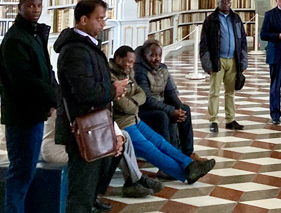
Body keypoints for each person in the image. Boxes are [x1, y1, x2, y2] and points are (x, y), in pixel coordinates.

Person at [55, 0, 123, 213]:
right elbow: (85, 92)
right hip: (83, 131)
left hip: (92, 127)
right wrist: (113, 90)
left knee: (83, 194)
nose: (103, 23)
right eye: (99, 18)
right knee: (81, 196)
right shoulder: (75, 51)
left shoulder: (87, 46)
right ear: (83, 20)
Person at [0, 0, 58, 213]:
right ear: (20, 7)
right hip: (21, 116)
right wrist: (53, 97)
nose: (35, 9)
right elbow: (25, 81)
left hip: (34, 113)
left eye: (39, 5)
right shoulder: (15, 39)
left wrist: (52, 96)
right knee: (20, 174)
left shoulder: (35, 34)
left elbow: (46, 70)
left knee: (26, 172)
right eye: (30, 5)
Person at [110, 47, 216, 185]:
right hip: (122, 124)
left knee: (160, 142)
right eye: (129, 62)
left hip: (134, 118)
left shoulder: (128, 73)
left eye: (133, 63)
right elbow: (123, 105)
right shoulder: (110, 76)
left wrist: (133, 102)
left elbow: (141, 93)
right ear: (118, 59)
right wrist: (134, 104)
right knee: (150, 150)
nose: (131, 66)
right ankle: (185, 173)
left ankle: (189, 164)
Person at [40, 110, 159, 201]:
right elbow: (87, 126)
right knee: (106, 151)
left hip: (78, 144)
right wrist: (112, 140)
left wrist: (118, 136)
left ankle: (133, 180)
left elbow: (105, 117)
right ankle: (94, 197)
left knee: (124, 136)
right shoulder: (66, 103)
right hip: (58, 150)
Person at [134, 39, 194, 156]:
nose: (157, 59)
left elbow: (170, 92)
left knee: (185, 109)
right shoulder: (140, 71)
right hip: (144, 108)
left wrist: (179, 109)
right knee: (162, 116)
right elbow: (147, 100)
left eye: (159, 55)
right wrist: (171, 111)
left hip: (160, 104)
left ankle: (188, 153)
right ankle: (168, 156)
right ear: (145, 55)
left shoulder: (163, 68)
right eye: (153, 55)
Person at [200, 0, 248, 132]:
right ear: (218, 3)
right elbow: (204, 44)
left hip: (233, 60)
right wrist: (207, 64)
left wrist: (243, 61)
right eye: (223, 1)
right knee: (214, 92)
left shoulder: (236, 19)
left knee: (230, 92)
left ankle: (230, 119)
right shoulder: (211, 20)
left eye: (228, 1)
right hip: (217, 60)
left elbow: (243, 41)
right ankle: (213, 120)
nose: (226, 4)